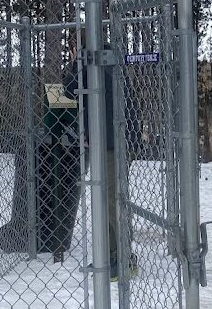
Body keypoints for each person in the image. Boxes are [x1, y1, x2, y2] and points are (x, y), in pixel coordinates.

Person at [62, 29, 136, 280]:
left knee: (110, 201)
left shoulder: (90, 61)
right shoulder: (107, 57)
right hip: (109, 139)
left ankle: (120, 258)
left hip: (108, 142)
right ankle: (114, 254)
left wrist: (74, 62)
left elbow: (68, 89)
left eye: (72, 44)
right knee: (109, 199)